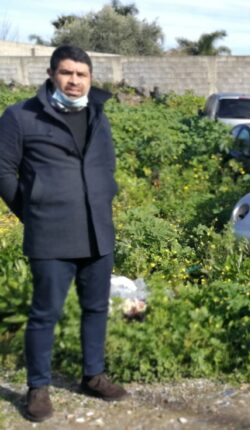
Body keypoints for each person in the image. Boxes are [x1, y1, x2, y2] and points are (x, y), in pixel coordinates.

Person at [0, 45, 127, 422]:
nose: (74, 80)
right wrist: (32, 210)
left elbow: (106, 162)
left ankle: (94, 375)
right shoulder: (21, 116)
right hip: (50, 233)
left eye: (81, 74)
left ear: (90, 78)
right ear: (52, 74)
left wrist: (106, 193)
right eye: (67, 73)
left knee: (96, 308)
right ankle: (37, 387)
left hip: (97, 230)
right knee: (45, 313)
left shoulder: (97, 112)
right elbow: (4, 170)